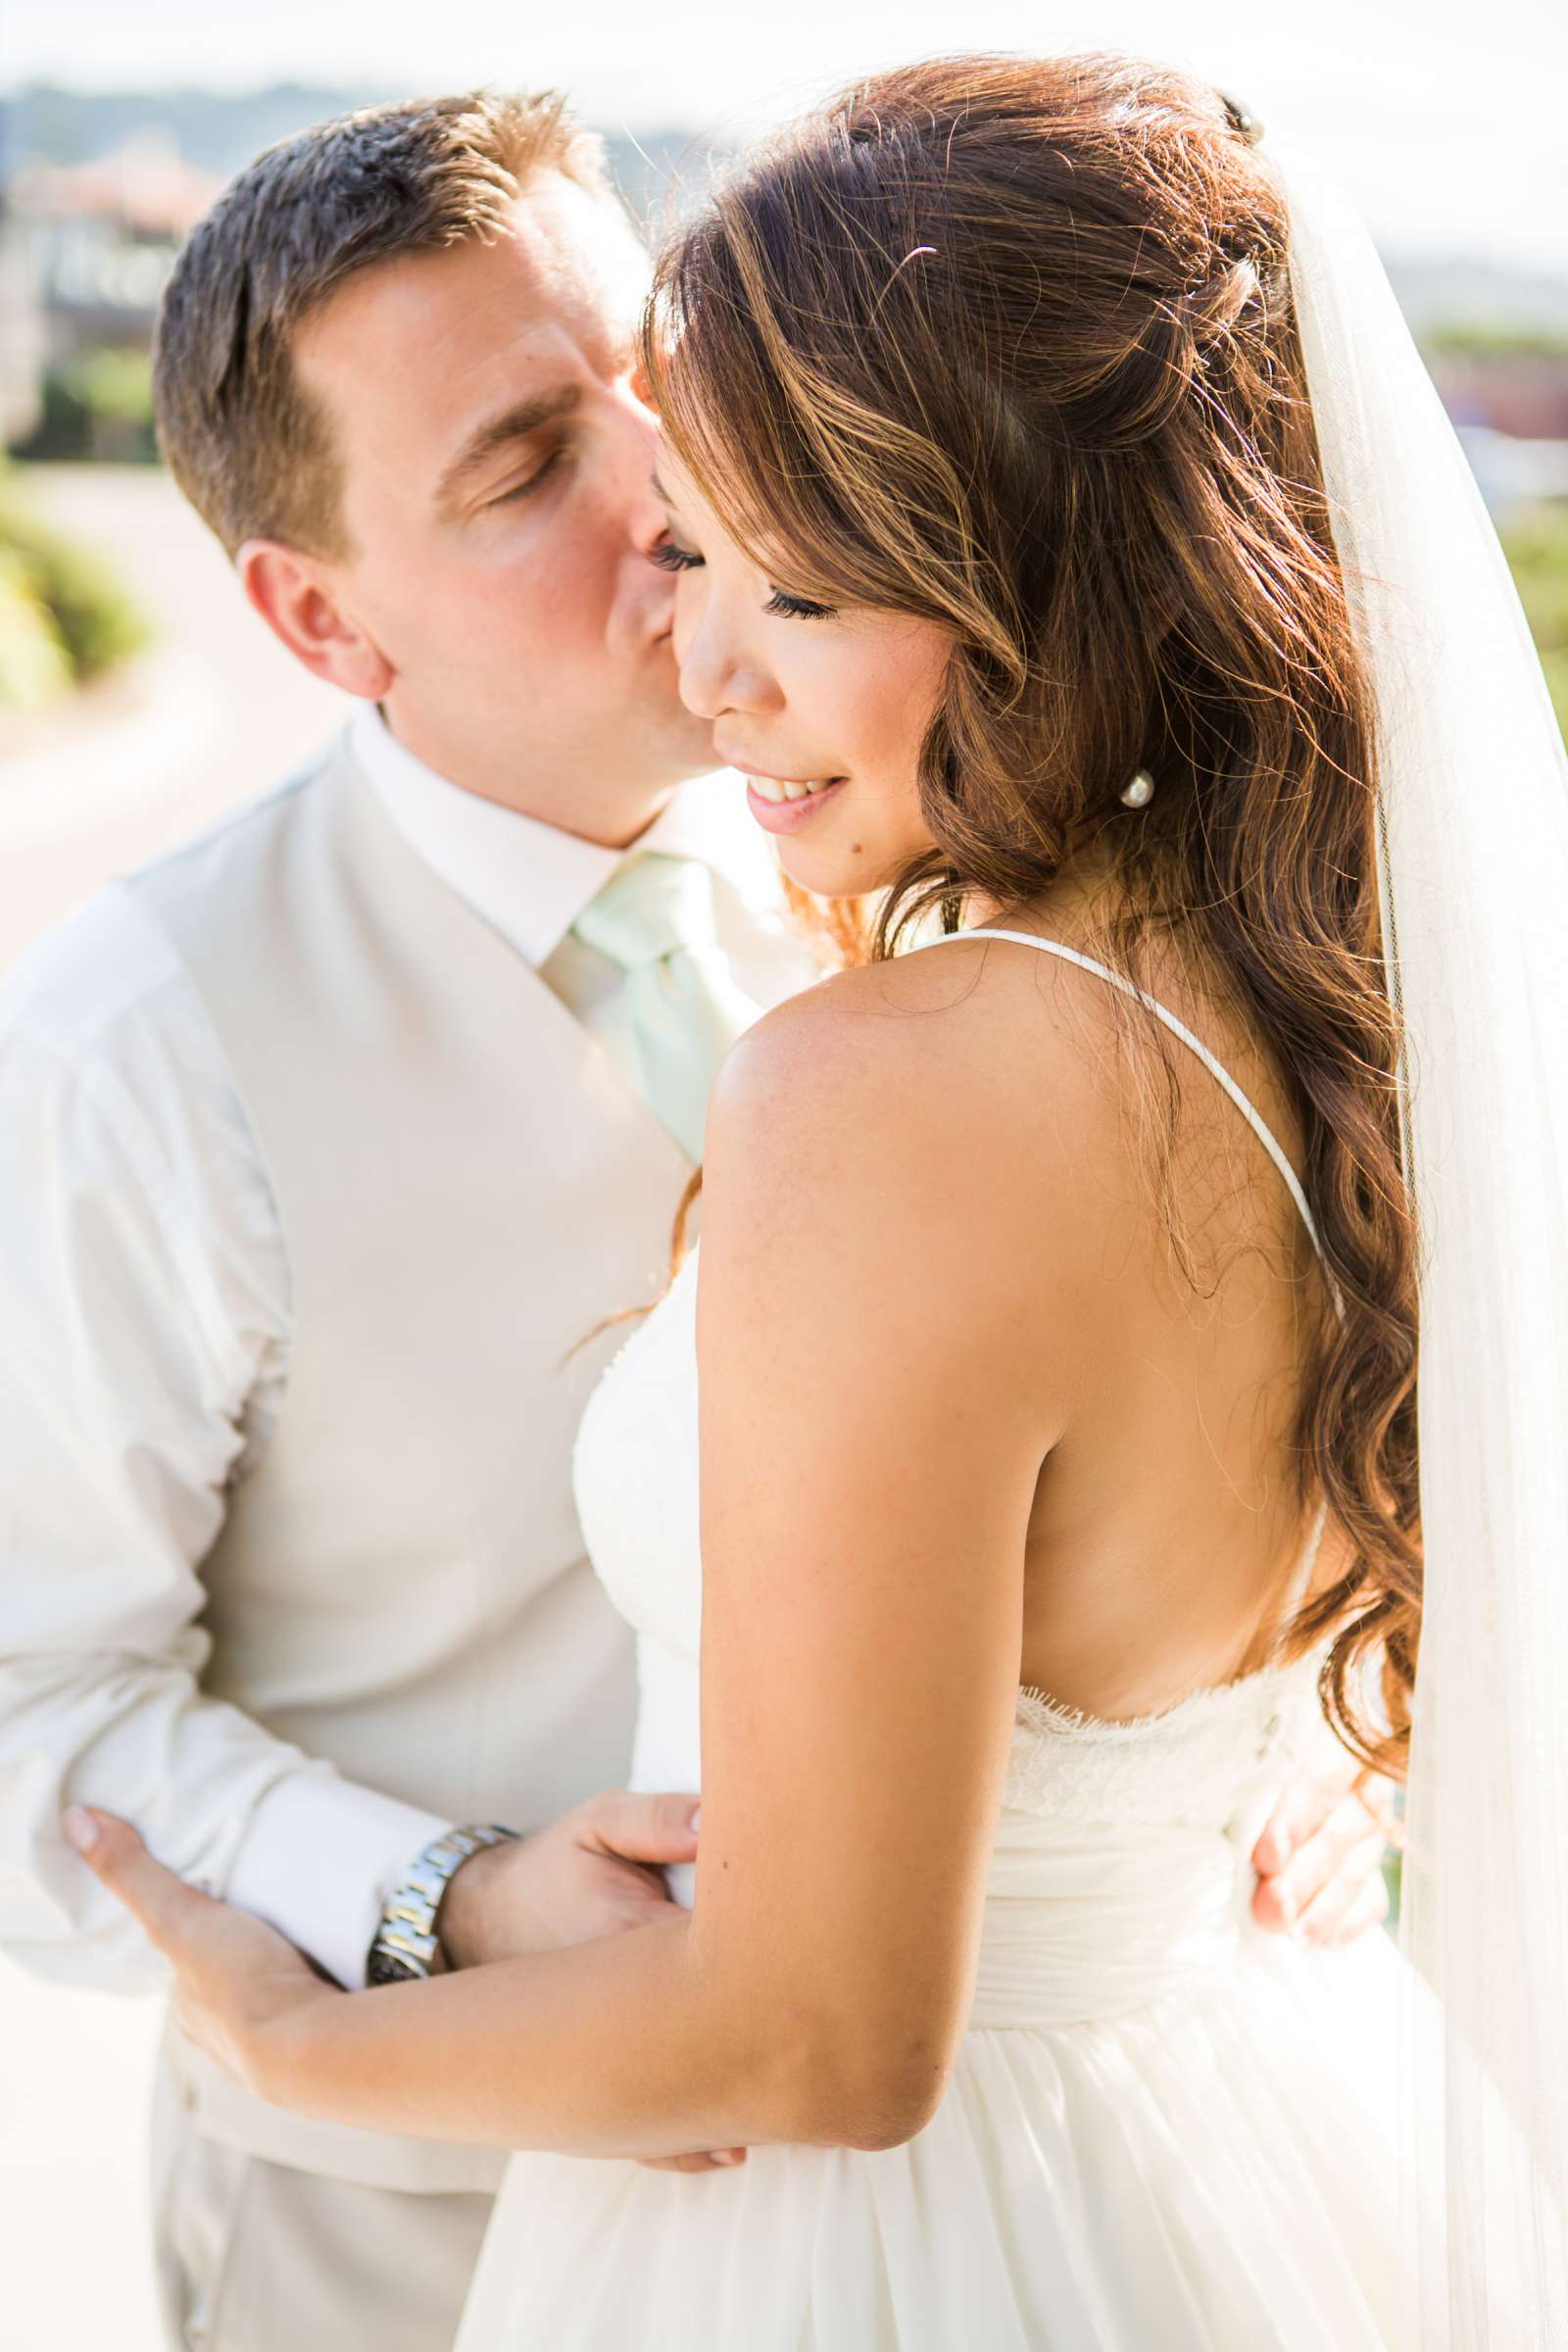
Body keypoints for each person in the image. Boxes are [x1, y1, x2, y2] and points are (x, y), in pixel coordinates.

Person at [6, 78, 1402, 2352]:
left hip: (981, 2194)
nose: (668, 505)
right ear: (316, 620)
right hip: (383, 2230)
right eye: (523, 469)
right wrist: (432, 1913)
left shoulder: (919, 859)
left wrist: (1282, 1765)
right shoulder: (137, 1042)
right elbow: (27, 1699)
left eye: (651, 394)